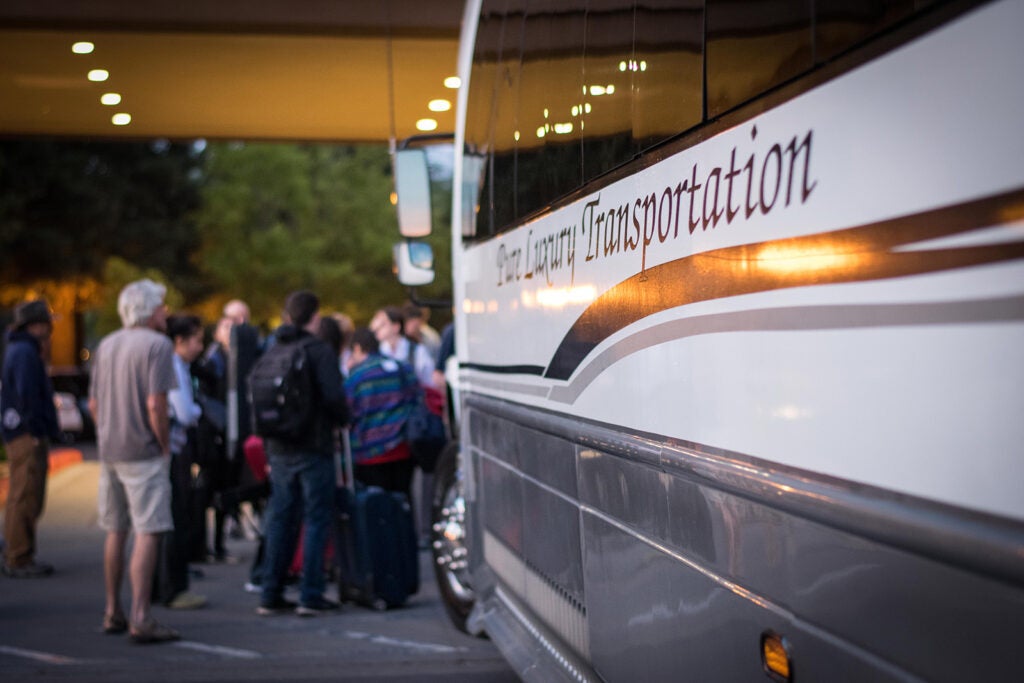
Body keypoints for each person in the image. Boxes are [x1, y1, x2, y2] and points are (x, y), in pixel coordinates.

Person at [88, 279, 180, 643]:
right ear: (147, 309)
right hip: (143, 451)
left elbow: (94, 404)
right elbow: (156, 404)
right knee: (148, 529)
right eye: (161, 305)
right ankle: (141, 615)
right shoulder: (157, 345)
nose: (166, 311)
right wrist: (164, 443)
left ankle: (113, 610)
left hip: (110, 449)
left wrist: (107, 431)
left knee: (116, 529)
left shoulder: (107, 344)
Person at [257, 290, 349, 617]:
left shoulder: (273, 348)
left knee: (281, 517)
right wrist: (343, 421)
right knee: (316, 517)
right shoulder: (318, 350)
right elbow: (334, 396)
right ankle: (310, 593)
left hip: (278, 446)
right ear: (315, 317)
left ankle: (271, 591)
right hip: (313, 444)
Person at [152, 314, 207, 610]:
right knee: (176, 518)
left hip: (166, 450)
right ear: (179, 341)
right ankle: (172, 588)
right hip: (173, 450)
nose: (200, 346)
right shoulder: (174, 366)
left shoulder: (171, 363)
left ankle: (159, 586)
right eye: (197, 340)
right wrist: (199, 410)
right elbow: (185, 412)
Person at [1, 299, 59, 578]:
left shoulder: (20, 348)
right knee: (25, 495)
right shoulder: (24, 351)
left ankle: (20, 553)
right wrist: (35, 430)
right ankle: (18, 557)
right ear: (37, 325)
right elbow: (27, 396)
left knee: (25, 494)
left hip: (21, 430)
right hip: (25, 433)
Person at [344, 327, 420, 500]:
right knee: (404, 501)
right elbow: (417, 399)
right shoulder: (402, 368)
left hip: (369, 451)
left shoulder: (356, 376)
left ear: (357, 348)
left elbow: (347, 412)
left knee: (377, 507)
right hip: (403, 447)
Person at [370, 306, 434, 387]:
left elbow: (429, 383)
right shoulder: (376, 352)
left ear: (396, 327)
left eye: (382, 324)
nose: (376, 328)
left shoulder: (417, 351)